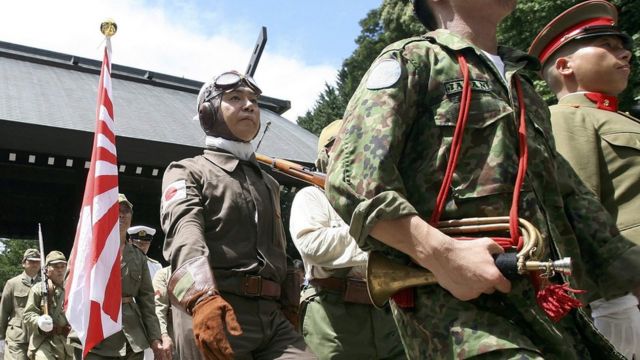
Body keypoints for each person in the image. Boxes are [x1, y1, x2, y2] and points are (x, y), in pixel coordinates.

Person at [324, 0, 640, 358]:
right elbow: (352, 179)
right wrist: (440, 253)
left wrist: (631, 272)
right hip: (459, 310)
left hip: (548, 302)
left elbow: (570, 195)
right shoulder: (413, 60)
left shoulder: (524, 87)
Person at [161, 70, 315, 359]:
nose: (249, 105)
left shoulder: (268, 182)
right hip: (215, 309)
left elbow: (278, 250)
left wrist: (289, 298)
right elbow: (185, 236)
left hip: (273, 317)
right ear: (207, 112)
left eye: (253, 100)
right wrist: (201, 298)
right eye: (235, 98)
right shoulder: (187, 171)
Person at [529, 1, 640, 357]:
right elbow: (578, 212)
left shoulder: (624, 120)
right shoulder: (565, 119)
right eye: (608, 47)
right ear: (565, 66)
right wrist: (615, 295)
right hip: (628, 291)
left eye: (623, 47)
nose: (624, 54)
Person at [290, 119, 405, 359]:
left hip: (385, 312)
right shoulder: (312, 196)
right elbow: (312, 246)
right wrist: (376, 235)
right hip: (333, 316)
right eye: (340, 144)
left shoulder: (380, 199)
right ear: (325, 155)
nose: (352, 150)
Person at [85, 194, 164, 360]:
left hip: (131, 336)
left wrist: (155, 337)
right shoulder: (90, 249)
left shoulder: (137, 256)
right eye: (116, 210)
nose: (121, 215)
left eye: (126, 211)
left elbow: (147, 300)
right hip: (99, 335)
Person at [22, 251, 74, 360]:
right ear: (47, 269)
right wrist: (39, 321)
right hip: (44, 341)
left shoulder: (72, 289)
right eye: (55, 266)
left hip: (67, 343)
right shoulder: (39, 289)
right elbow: (27, 315)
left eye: (62, 266)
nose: (60, 270)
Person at [126, 225, 163, 360]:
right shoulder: (122, 263)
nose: (142, 246)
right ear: (130, 241)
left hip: (150, 319)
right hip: (131, 319)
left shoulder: (156, 266)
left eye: (146, 243)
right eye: (138, 243)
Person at [0, 249, 42, 360]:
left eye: (37, 261)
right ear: (24, 263)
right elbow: (3, 311)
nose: (34, 264)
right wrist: (1, 337)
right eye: (31, 261)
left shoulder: (45, 285)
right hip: (17, 337)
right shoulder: (12, 283)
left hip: (38, 337)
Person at [152, 267, 175, 359]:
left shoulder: (204, 271)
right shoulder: (164, 274)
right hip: (174, 341)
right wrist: (164, 336)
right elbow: (159, 308)